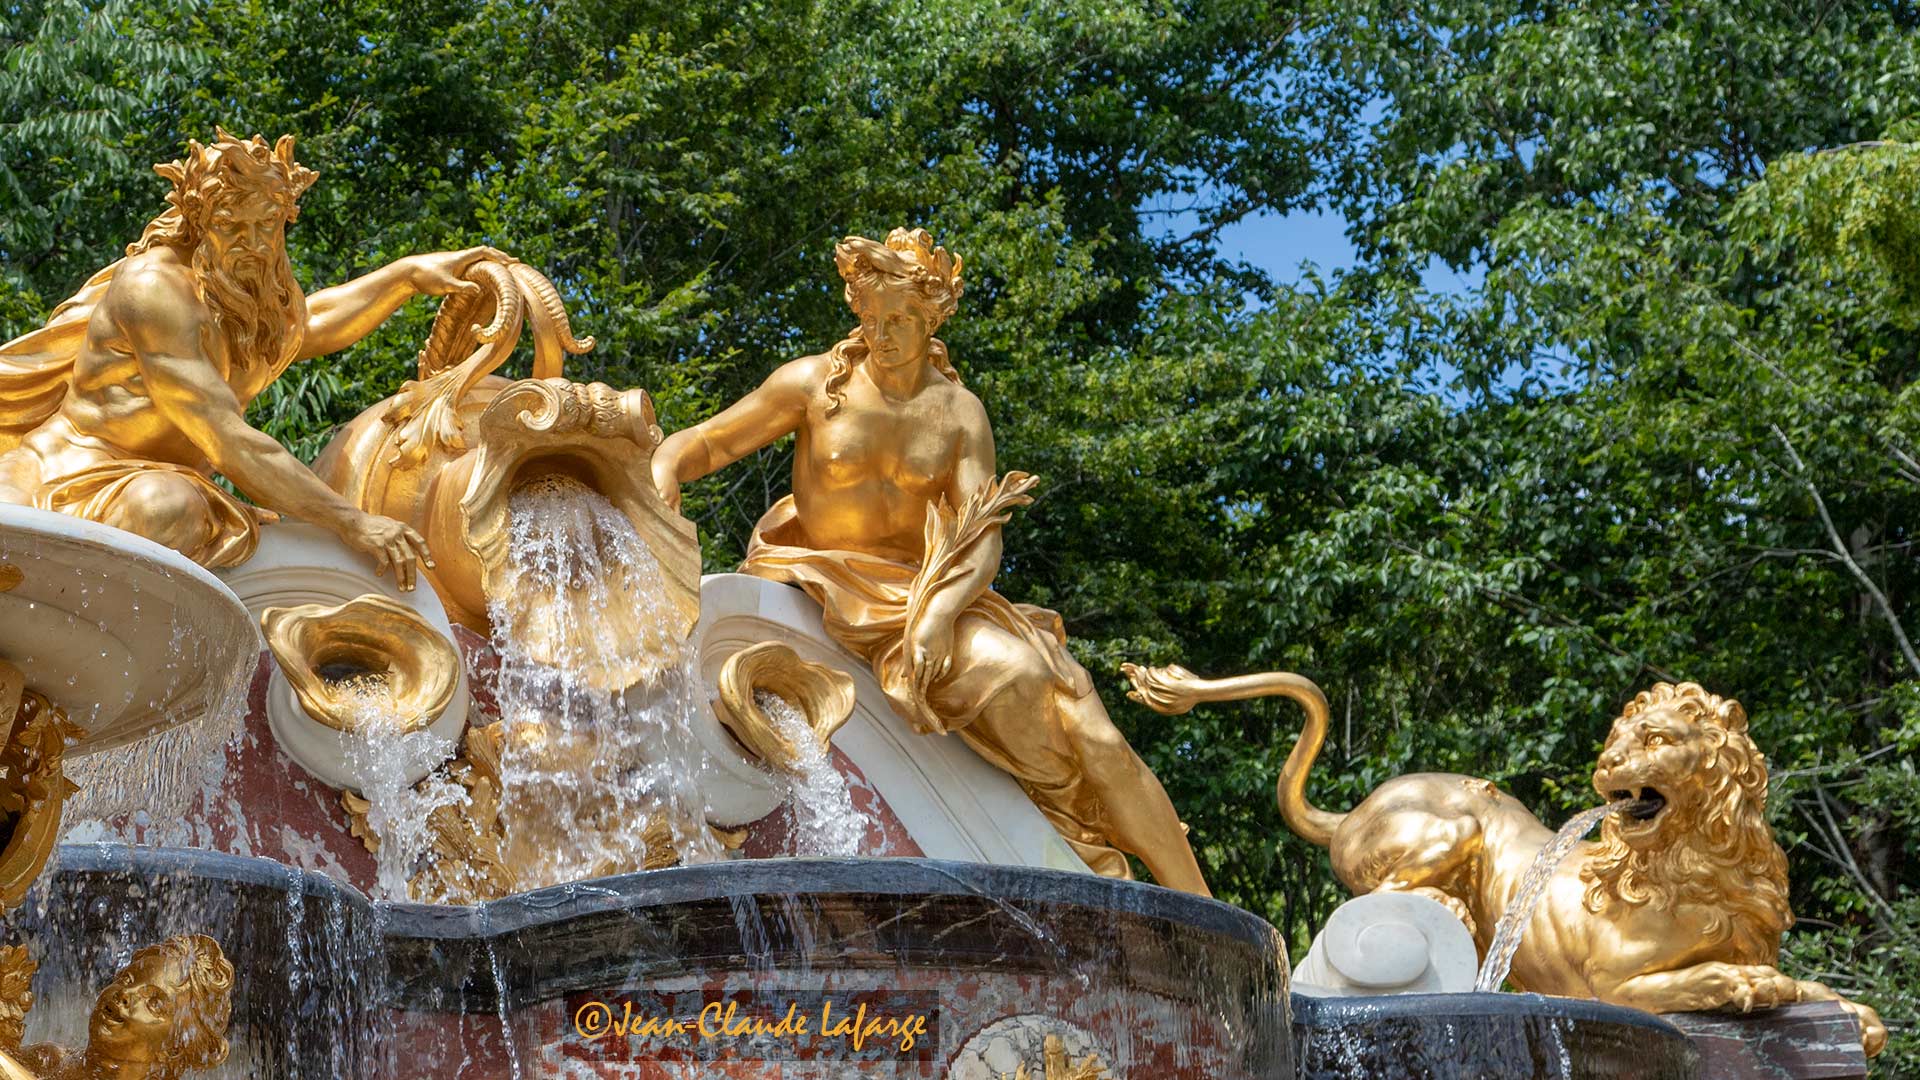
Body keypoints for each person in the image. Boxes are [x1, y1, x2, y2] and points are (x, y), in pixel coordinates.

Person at [652, 228, 1209, 894]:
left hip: (921, 596)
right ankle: (1097, 846)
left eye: (899, 321)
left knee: (1080, 721)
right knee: (1052, 712)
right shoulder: (814, 385)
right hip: (819, 579)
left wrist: (940, 611)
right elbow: (704, 446)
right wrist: (660, 483)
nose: (881, 335)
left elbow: (980, 536)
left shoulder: (959, 414)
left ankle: (1201, 911)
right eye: (869, 318)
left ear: (930, 318)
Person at [0, 129, 499, 585]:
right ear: (197, 223)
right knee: (163, 507)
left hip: (163, 483)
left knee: (171, 503)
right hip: (68, 474)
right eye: (231, 226)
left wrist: (406, 276)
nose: (255, 245)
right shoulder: (154, 288)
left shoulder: (256, 292)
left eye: (267, 225)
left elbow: (310, 324)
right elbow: (225, 436)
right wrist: (351, 520)